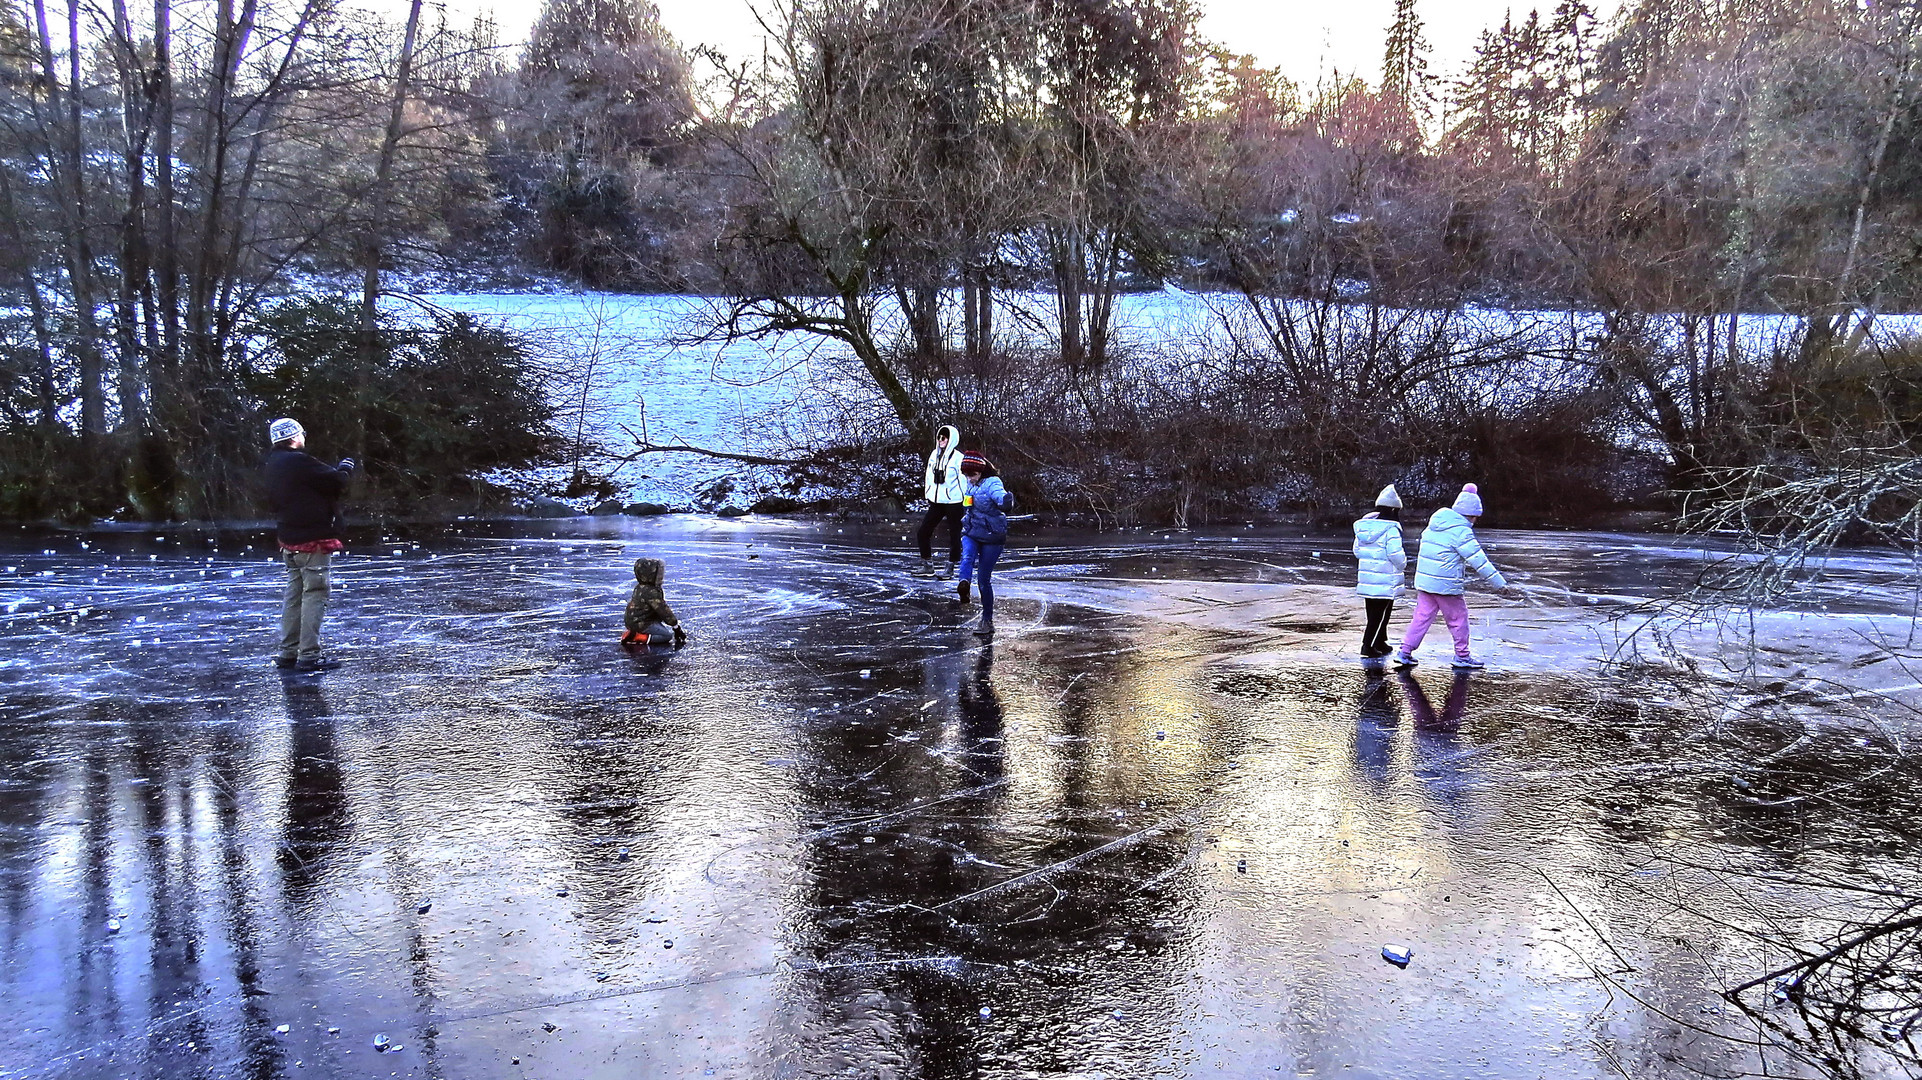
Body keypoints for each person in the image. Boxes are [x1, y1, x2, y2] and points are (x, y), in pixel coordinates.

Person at [262, 418, 355, 673]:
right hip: (312, 540)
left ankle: (288, 652)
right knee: (315, 594)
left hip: (289, 540)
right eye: (301, 433)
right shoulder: (299, 461)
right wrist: (346, 468)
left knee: (293, 597)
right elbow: (337, 481)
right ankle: (309, 655)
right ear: (294, 437)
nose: (304, 437)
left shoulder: (272, 464)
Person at [1394, 483, 1507, 670]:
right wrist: (1499, 583)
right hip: (1446, 586)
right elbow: (1479, 560)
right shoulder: (1461, 531)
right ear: (1470, 515)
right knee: (1458, 619)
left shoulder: (1434, 526)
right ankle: (1462, 656)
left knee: (1421, 618)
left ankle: (1405, 652)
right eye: (1475, 518)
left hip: (1426, 582)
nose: (1475, 522)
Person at [955, 452, 1012, 638]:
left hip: (992, 534)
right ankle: (963, 584)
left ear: (981, 471)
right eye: (966, 475)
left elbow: (999, 496)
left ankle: (987, 620)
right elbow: (968, 504)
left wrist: (1005, 502)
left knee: (983, 579)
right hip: (972, 530)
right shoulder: (969, 483)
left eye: (972, 475)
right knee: (967, 556)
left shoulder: (992, 483)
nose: (969, 479)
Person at [1352, 483, 1407, 660]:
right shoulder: (1391, 529)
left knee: (1374, 612)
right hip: (1385, 578)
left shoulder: (1365, 528)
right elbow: (1395, 554)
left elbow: (1357, 551)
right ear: (1393, 510)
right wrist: (1403, 564)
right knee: (1381, 613)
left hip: (1369, 578)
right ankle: (1367, 645)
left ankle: (1380, 641)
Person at [916, 425, 967, 578]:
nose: (940, 440)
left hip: (954, 502)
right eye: (939, 437)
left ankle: (951, 567)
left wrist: (966, 501)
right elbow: (928, 476)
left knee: (954, 534)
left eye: (944, 438)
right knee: (923, 532)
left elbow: (963, 481)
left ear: (951, 439)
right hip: (937, 501)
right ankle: (927, 564)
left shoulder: (958, 458)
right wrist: (928, 494)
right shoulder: (934, 455)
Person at [623, 557, 688, 647]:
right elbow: (663, 611)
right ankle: (637, 637)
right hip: (640, 623)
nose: (661, 576)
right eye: (658, 573)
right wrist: (676, 627)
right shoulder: (651, 592)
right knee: (666, 636)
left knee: (659, 627)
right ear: (650, 575)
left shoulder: (640, 587)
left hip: (634, 620)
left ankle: (634, 632)